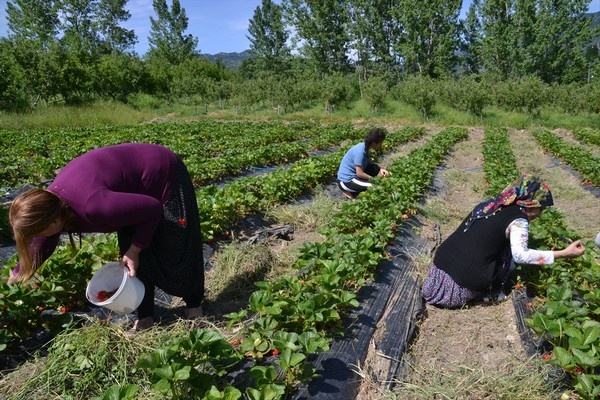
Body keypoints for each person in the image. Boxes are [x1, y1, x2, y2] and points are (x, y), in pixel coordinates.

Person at [8, 143, 204, 332]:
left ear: (54, 223)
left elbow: (152, 208)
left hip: (161, 172)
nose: (37, 238)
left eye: (38, 232)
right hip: (127, 191)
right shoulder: (51, 206)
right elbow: (43, 242)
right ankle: (145, 318)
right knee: (131, 260)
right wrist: (19, 273)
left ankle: (194, 305)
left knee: (176, 244)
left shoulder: (94, 207)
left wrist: (136, 249)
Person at [422, 174, 586, 308]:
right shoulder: (519, 220)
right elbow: (521, 255)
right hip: (459, 286)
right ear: (530, 203)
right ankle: (491, 293)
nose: (540, 213)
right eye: (540, 208)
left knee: (501, 242)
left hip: (438, 273)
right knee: (510, 253)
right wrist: (564, 253)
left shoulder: (494, 203)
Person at [337, 128, 390, 200]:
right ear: (374, 143)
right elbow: (359, 173)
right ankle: (348, 191)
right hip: (346, 181)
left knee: (374, 168)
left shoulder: (365, 147)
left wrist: (381, 169)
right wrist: (374, 179)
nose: (381, 145)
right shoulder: (360, 152)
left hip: (354, 176)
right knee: (374, 187)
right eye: (381, 142)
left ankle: (356, 189)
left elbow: (369, 163)